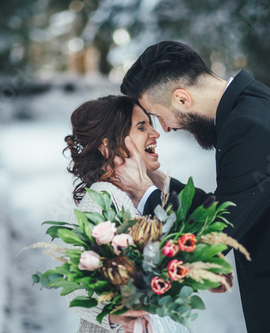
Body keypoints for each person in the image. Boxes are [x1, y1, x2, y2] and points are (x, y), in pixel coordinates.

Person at [116, 41, 270, 333]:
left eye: (159, 116)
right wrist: (160, 183)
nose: (166, 128)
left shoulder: (252, 128)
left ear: (182, 99)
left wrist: (143, 193)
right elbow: (231, 203)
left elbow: (217, 232)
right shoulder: (252, 105)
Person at [64, 95, 189, 333]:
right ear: (107, 147)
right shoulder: (100, 200)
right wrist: (116, 315)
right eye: (142, 126)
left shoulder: (150, 194)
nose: (156, 134)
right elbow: (77, 288)